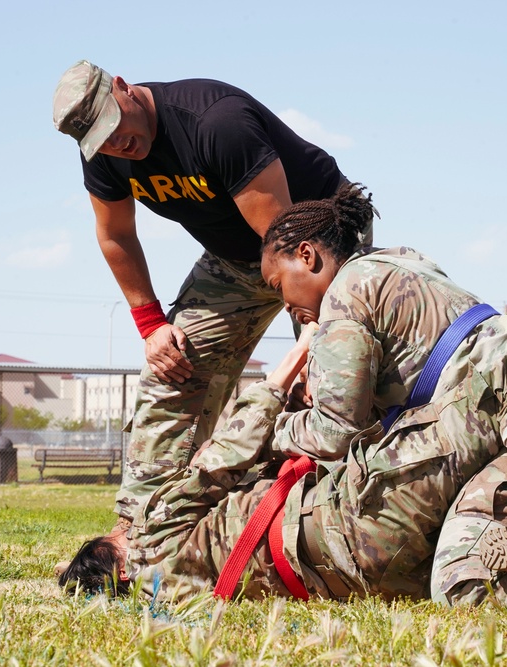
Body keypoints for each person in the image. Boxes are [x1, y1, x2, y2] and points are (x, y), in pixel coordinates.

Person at [61, 185, 507, 609]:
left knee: (459, 577)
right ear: (118, 556)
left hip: (359, 553)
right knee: (465, 560)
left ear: (310, 254)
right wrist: (276, 392)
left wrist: (292, 415)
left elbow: (337, 427)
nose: (285, 304)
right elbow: (262, 449)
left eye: (279, 285)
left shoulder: (346, 298)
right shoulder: (403, 262)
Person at [51, 61, 368, 532]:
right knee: (171, 368)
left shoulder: (215, 123)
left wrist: (314, 341)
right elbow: (115, 234)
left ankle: (343, 521)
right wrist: (152, 325)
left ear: (122, 87)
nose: (115, 143)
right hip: (233, 259)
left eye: (112, 125)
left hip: (316, 247)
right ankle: (139, 532)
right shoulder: (103, 154)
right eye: (99, 139)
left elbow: (288, 250)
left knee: (333, 380)